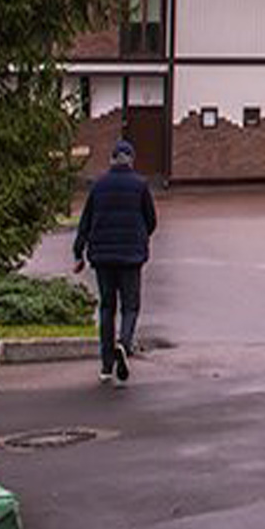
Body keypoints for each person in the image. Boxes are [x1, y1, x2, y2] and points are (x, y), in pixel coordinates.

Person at [73, 139, 157, 385]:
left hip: (102, 257)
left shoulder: (98, 185)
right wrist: (140, 237)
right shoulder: (140, 185)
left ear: (111, 160)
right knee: (130, 306)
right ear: (131, 160)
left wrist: (78, 253)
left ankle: (106, 365)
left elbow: (85, 222)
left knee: (107, 307)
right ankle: (124, 343)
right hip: (131, 257)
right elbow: (151, 220)